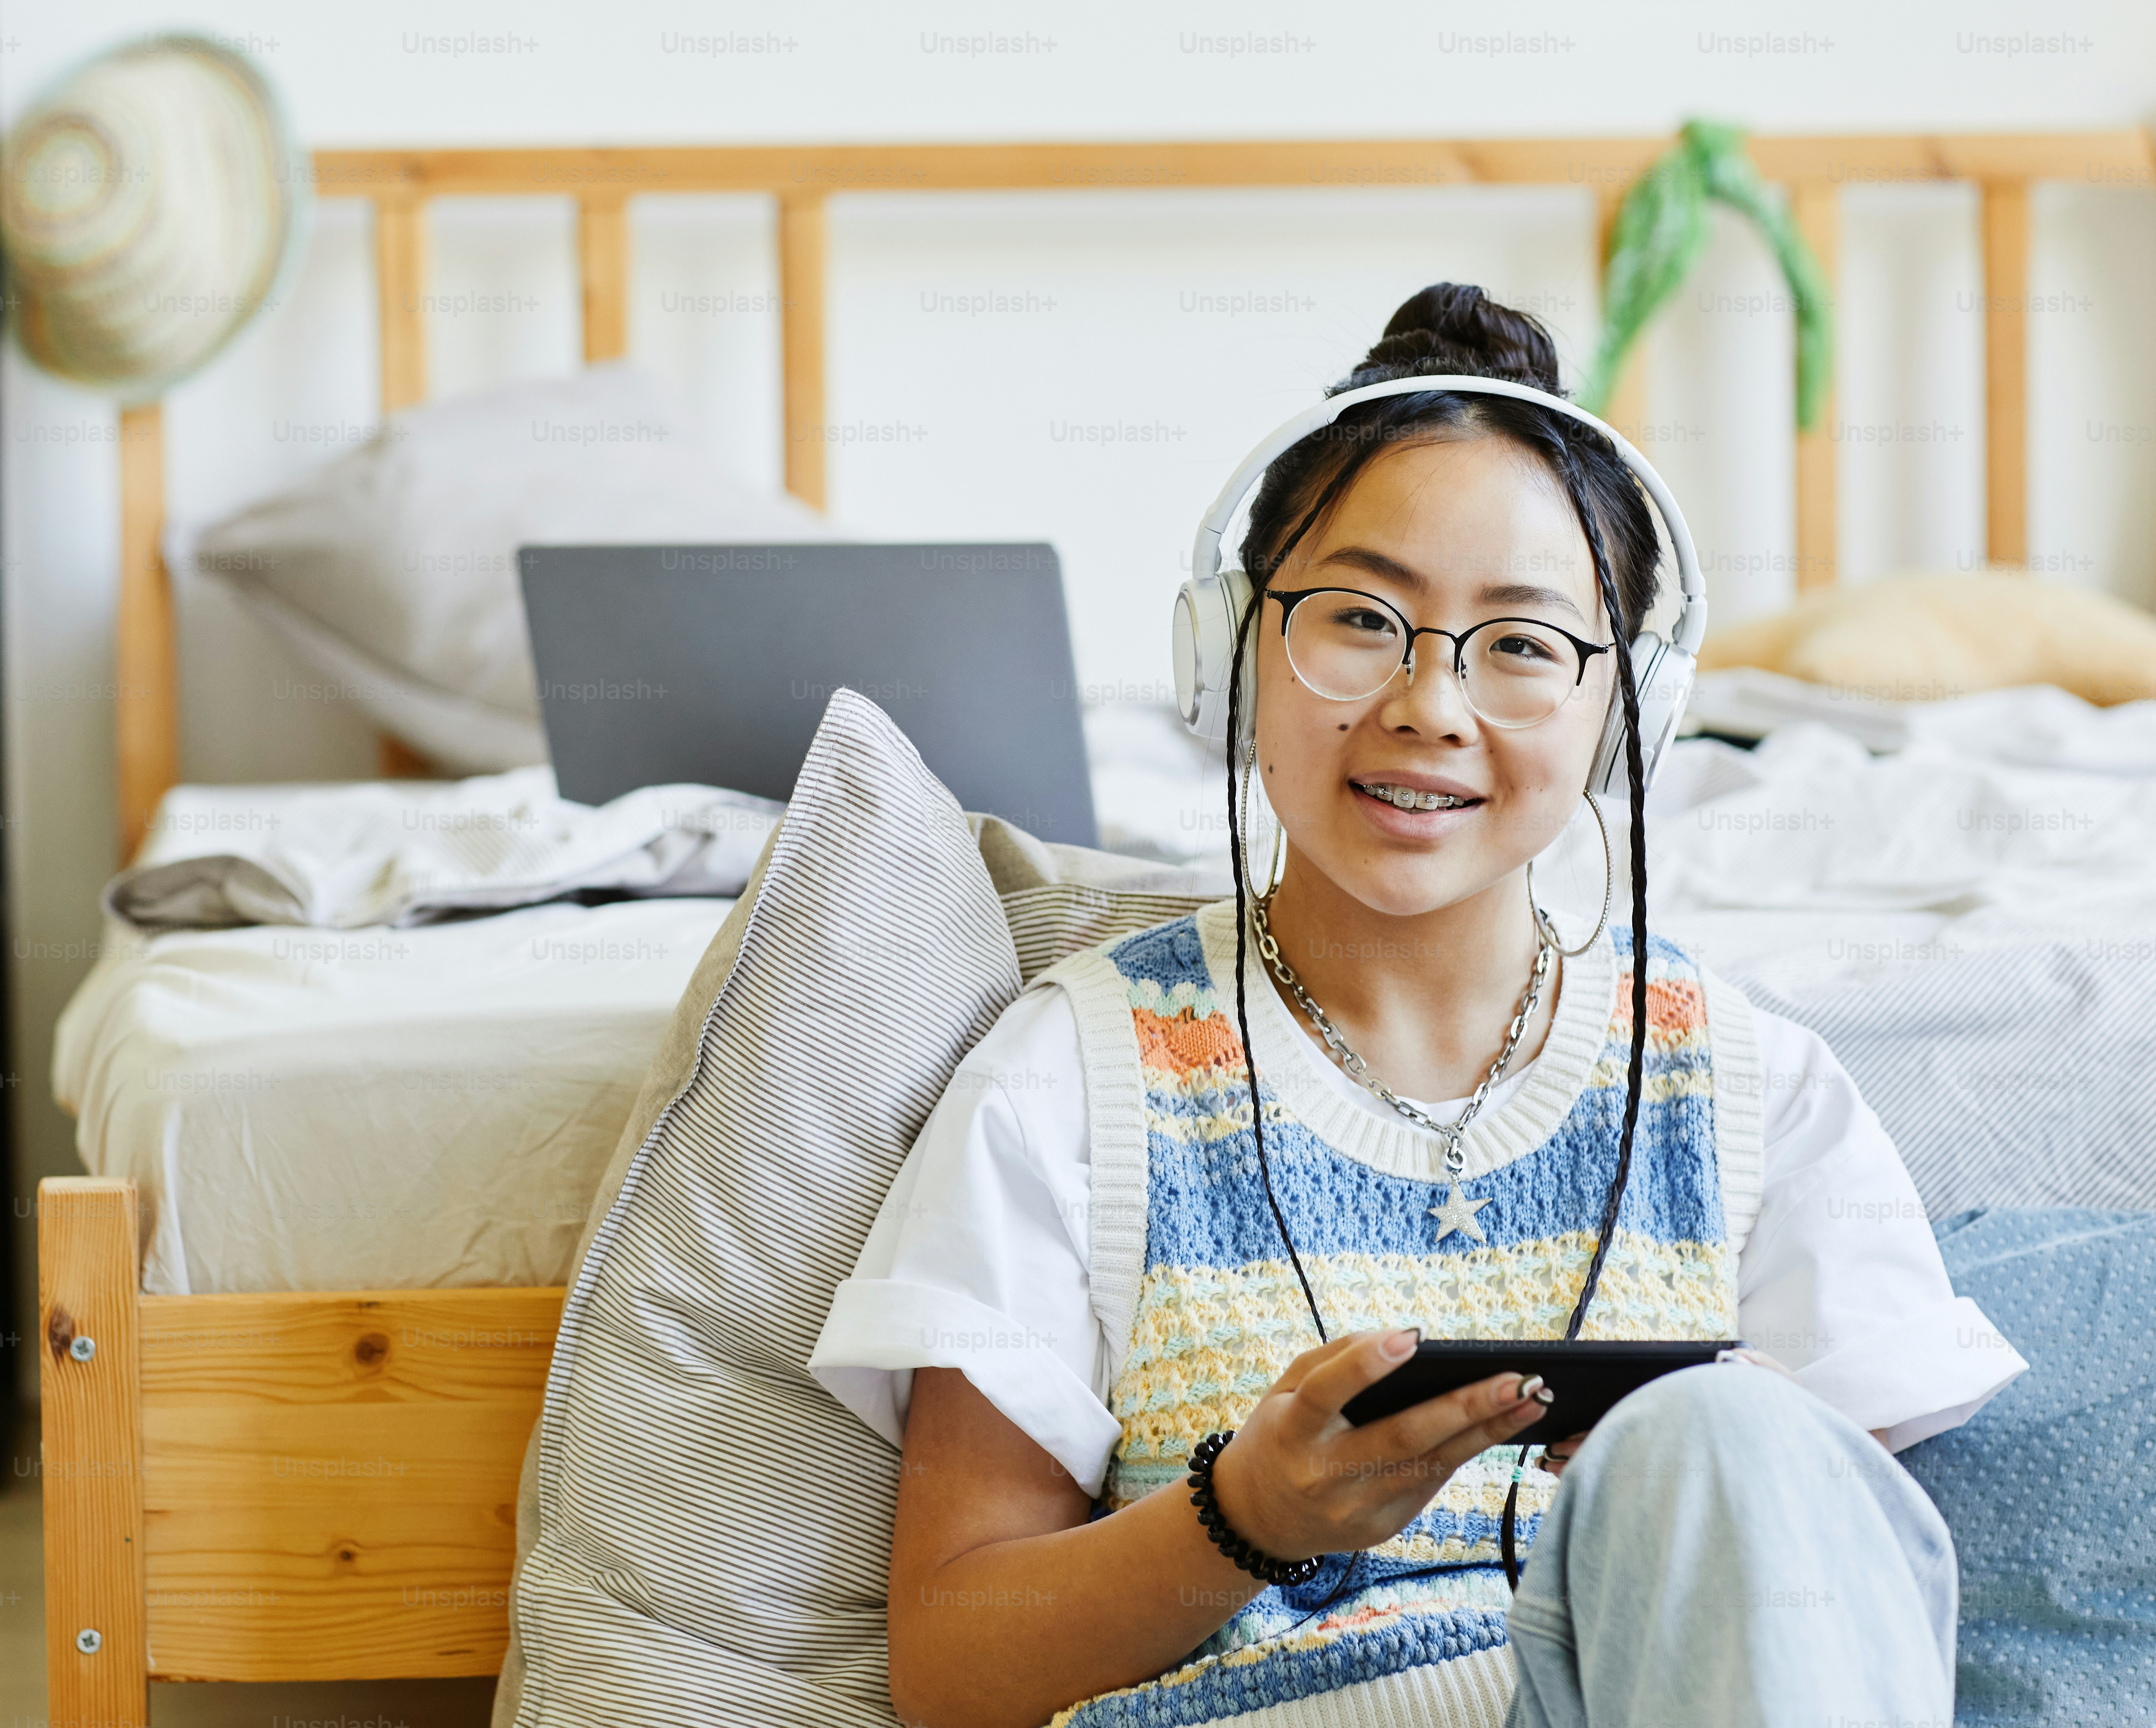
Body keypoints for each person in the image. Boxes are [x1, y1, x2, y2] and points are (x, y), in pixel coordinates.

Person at [807, 284, 2024, 1728]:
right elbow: (953, 1670)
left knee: (1725, 1442)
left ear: (1626, 709)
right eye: (1360, 620)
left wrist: (1720, 1467)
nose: (1430, 704)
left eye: (1520, 644)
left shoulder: (1759, 1087)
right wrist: (1244, 1517)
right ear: (1233, 653)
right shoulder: (1073, 1080)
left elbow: (1856, 1634)